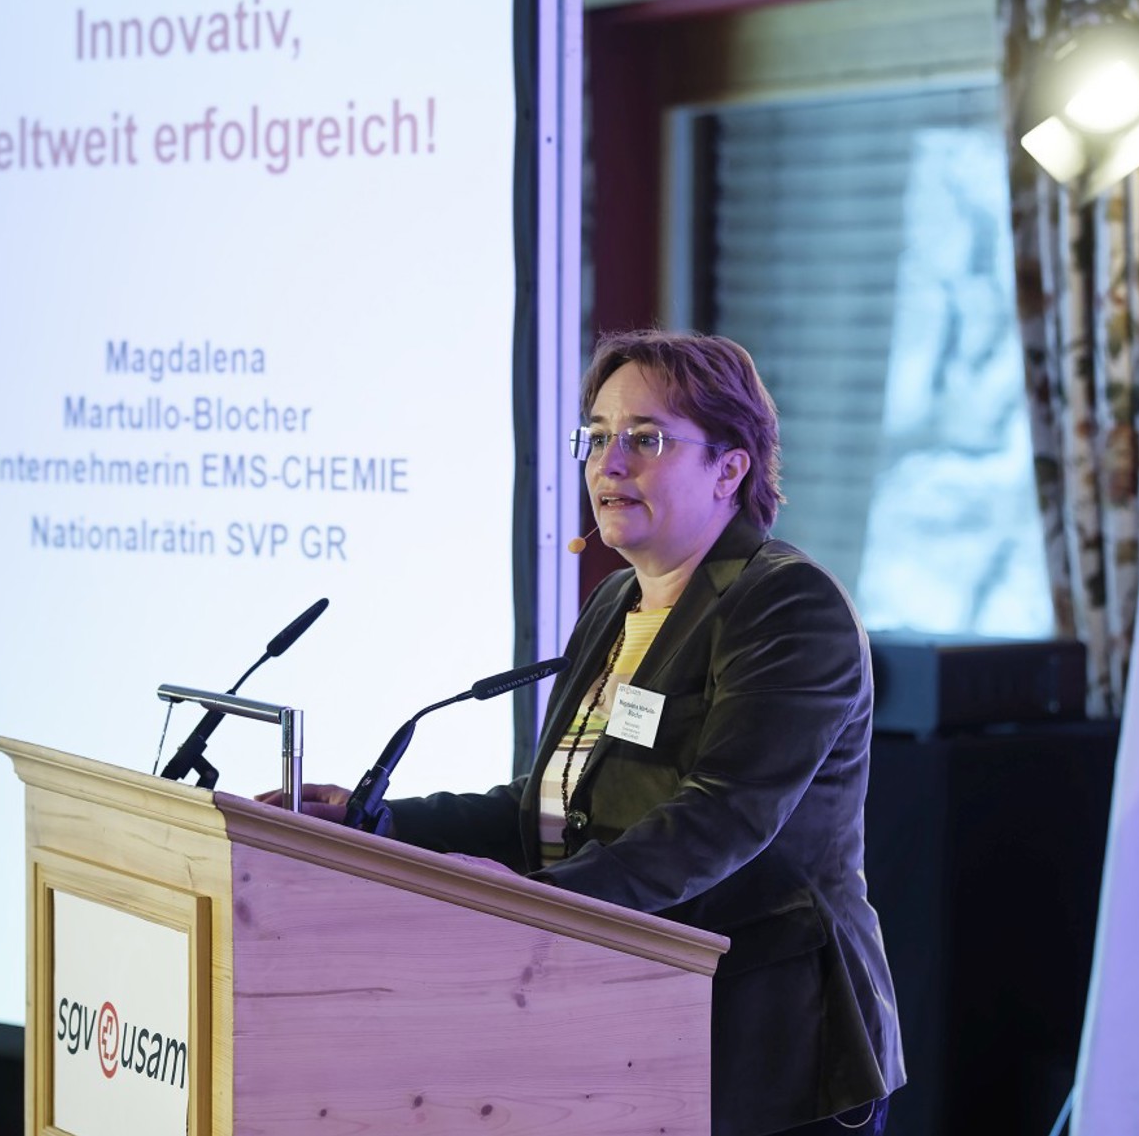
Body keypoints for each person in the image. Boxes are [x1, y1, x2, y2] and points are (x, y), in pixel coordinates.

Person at [284, 330, 903, 1136]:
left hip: (768, 1046)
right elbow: (551, 805)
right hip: (625, 1023)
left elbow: (720, 818)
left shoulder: (787, 606)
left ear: (730, 468)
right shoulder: (616, 602)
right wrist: (378, 823)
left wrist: (532, 904)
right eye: (599, 436)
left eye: (645, 439)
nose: (610, 464)